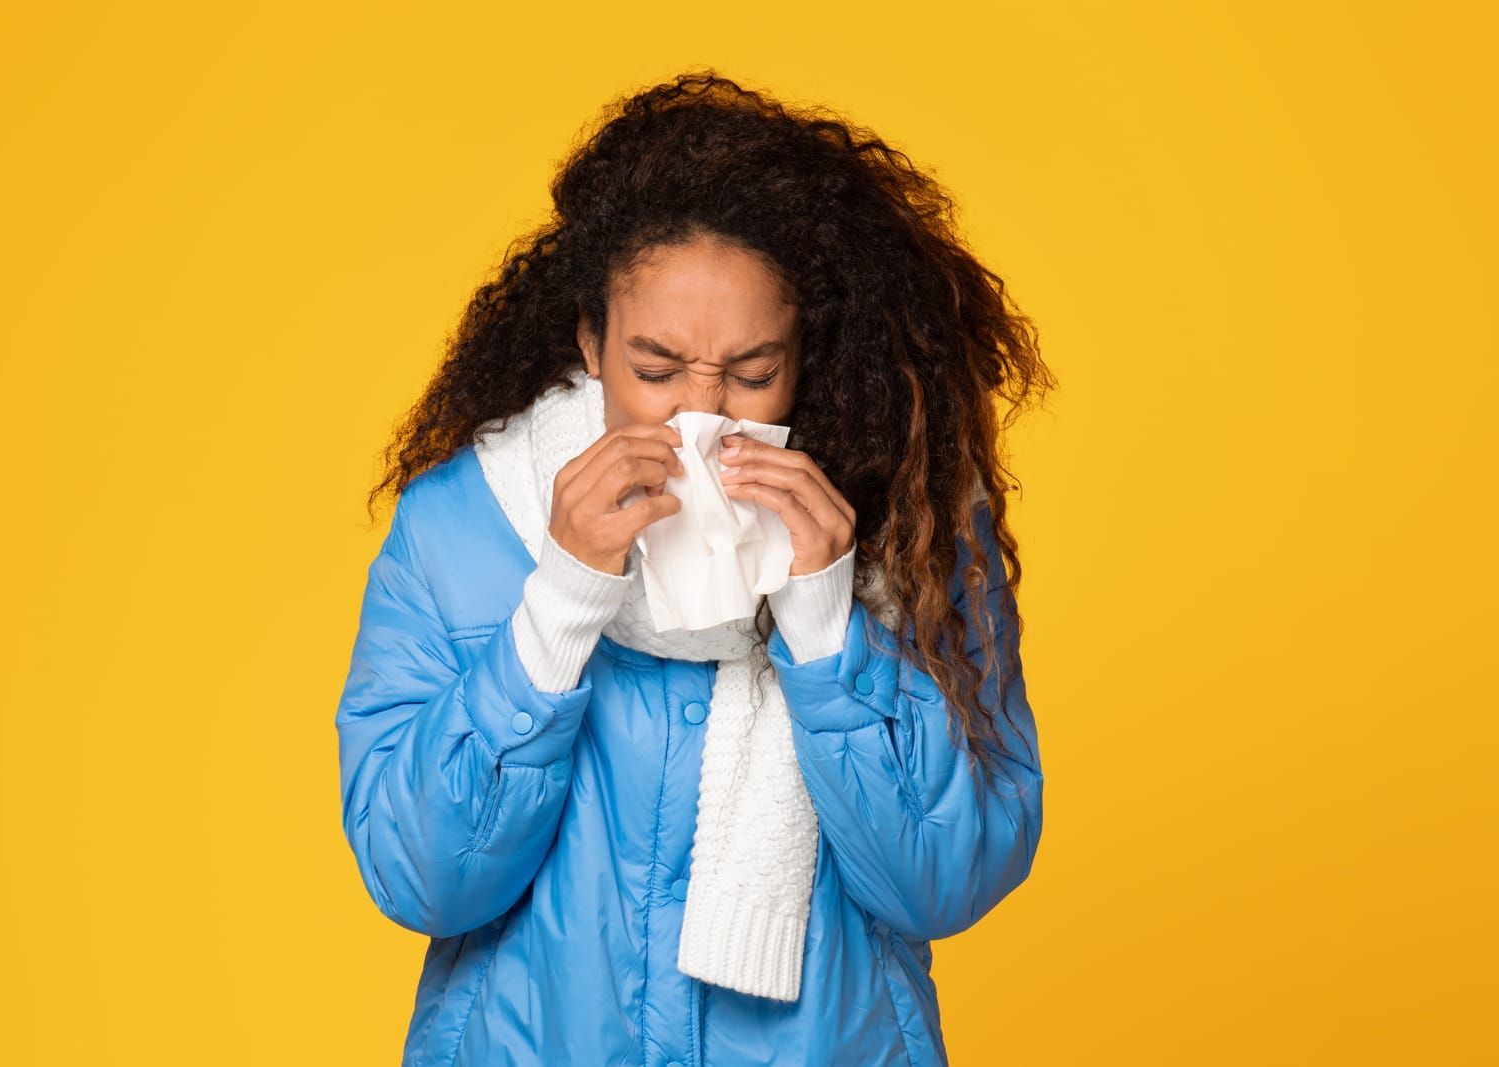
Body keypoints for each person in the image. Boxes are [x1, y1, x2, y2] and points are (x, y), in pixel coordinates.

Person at [335, 70, 1056, 1067]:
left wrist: (826, 623)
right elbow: (421, 878)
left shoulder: (912, 531)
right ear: (590, 341)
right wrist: (559, 603)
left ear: (806, 356)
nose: (702, 411)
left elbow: (945, 881)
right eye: (655, 368)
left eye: (753, 373)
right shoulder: (463, 527)